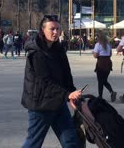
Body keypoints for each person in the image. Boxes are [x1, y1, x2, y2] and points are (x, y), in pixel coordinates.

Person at [21, 15, 82, 148]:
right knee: (34, 142)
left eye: (58, 29)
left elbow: (66, 74)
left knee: (71, 140)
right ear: (42, 30)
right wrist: (67, 95)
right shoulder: (36, 52)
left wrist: (72, 93)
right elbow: (44, 82)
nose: (55, 32)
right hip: (41, 104)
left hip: (58, 101)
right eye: (52, 29)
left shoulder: (58, 48)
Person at [92, 31, 117, 101]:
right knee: (104, 80)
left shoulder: (98, 45)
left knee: (100, 81)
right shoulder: (108, 45)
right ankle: (112, 92)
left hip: (101, 63)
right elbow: (110, 54)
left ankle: (100, 97)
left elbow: (95, 55)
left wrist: (93, 53)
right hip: (108, 63)